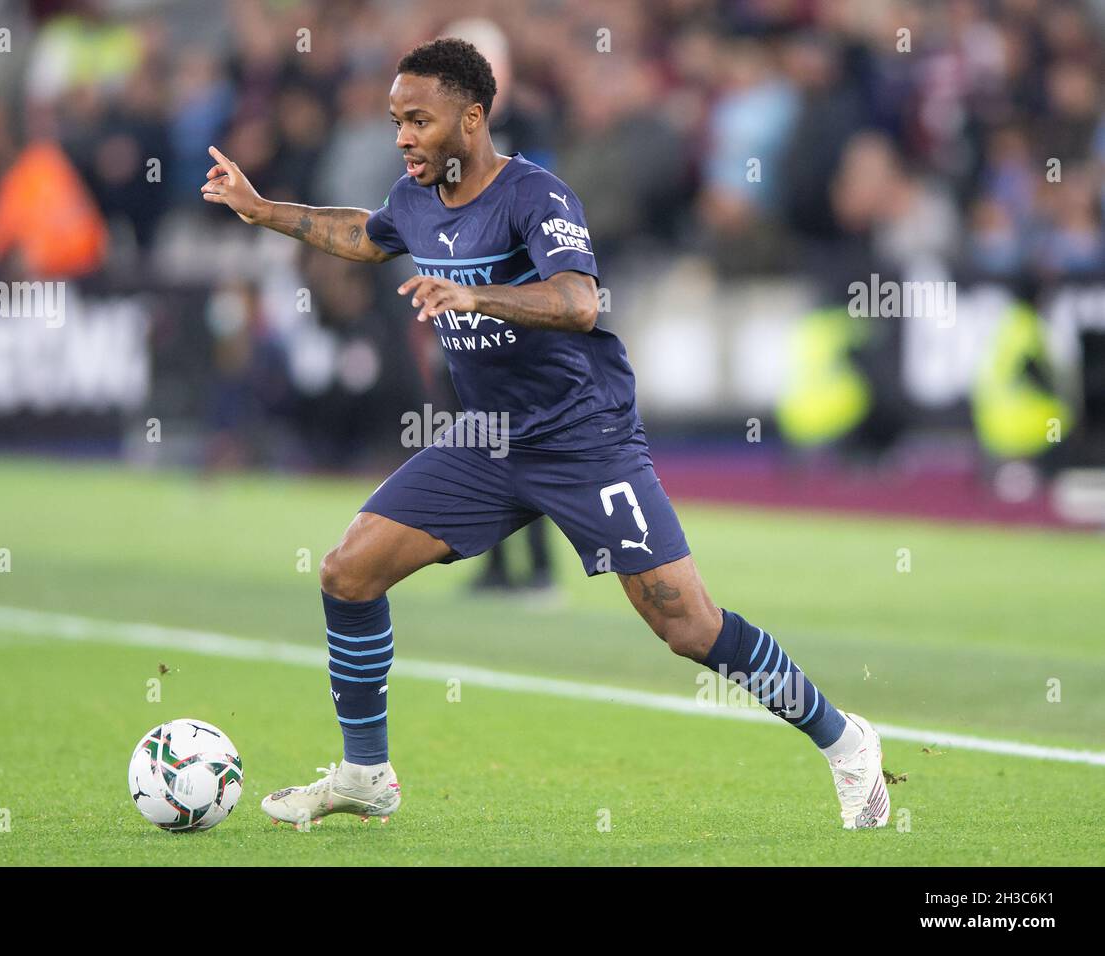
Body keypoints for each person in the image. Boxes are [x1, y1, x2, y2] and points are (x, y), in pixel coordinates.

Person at [201, 38, 888, 831]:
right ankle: (365, 774)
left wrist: (475, 297)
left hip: (583, 437)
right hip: (489, 440)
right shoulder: (417, 196)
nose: (403, 138)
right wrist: (262, 211)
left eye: (418, 121)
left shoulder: (536, 195)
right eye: (396, 122)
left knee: (686, 625)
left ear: (472, 116)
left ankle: (845, 742)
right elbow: (362, 233)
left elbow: (578, 302)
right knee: (348, 572)